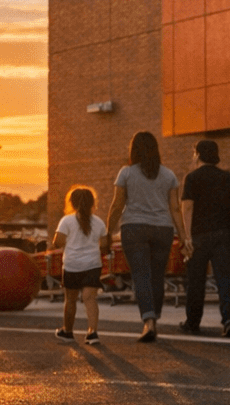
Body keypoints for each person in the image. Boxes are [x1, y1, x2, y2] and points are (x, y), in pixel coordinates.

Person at [107, 130, 186, 343]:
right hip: (163, 230)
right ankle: (154, 318)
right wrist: (183, 236)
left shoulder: (126, 173)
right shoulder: (169, 175)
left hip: (134, 229)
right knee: (157, 276)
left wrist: (108, 232)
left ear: (134, 150)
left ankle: (148, 321)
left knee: (141, 275)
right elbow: (175, 209)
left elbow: (117, 205)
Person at [179, 139, 230, 338]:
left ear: (198, 154)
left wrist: (187, 236)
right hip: (224, 235)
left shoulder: (192, 178)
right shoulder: (227, 177)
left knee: (196, 280)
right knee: (225, 279)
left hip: (199, 235)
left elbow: (187, 208)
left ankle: (193, 322)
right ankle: (229, 320)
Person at [51, 186, 105, 345]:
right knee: (90, 299)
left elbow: (57, 243)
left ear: (72, 203)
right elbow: (105, 245)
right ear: (92, 203)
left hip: (72, 265)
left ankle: (68, 332)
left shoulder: (66, 221)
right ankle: (92, 333)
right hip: (93, 265)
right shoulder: (99, 222)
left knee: (71, 299)